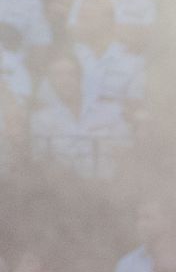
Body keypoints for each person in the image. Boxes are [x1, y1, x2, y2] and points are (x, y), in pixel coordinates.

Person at [28, 50, 129, 179]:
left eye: (71, 73)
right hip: (65, 191)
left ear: (80, 77)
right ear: (49, 80)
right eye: (57, 75)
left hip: (108, 189)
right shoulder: (40, 119)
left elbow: (125, 153)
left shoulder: (109, 111)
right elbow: (41, 162)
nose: (65, 80)